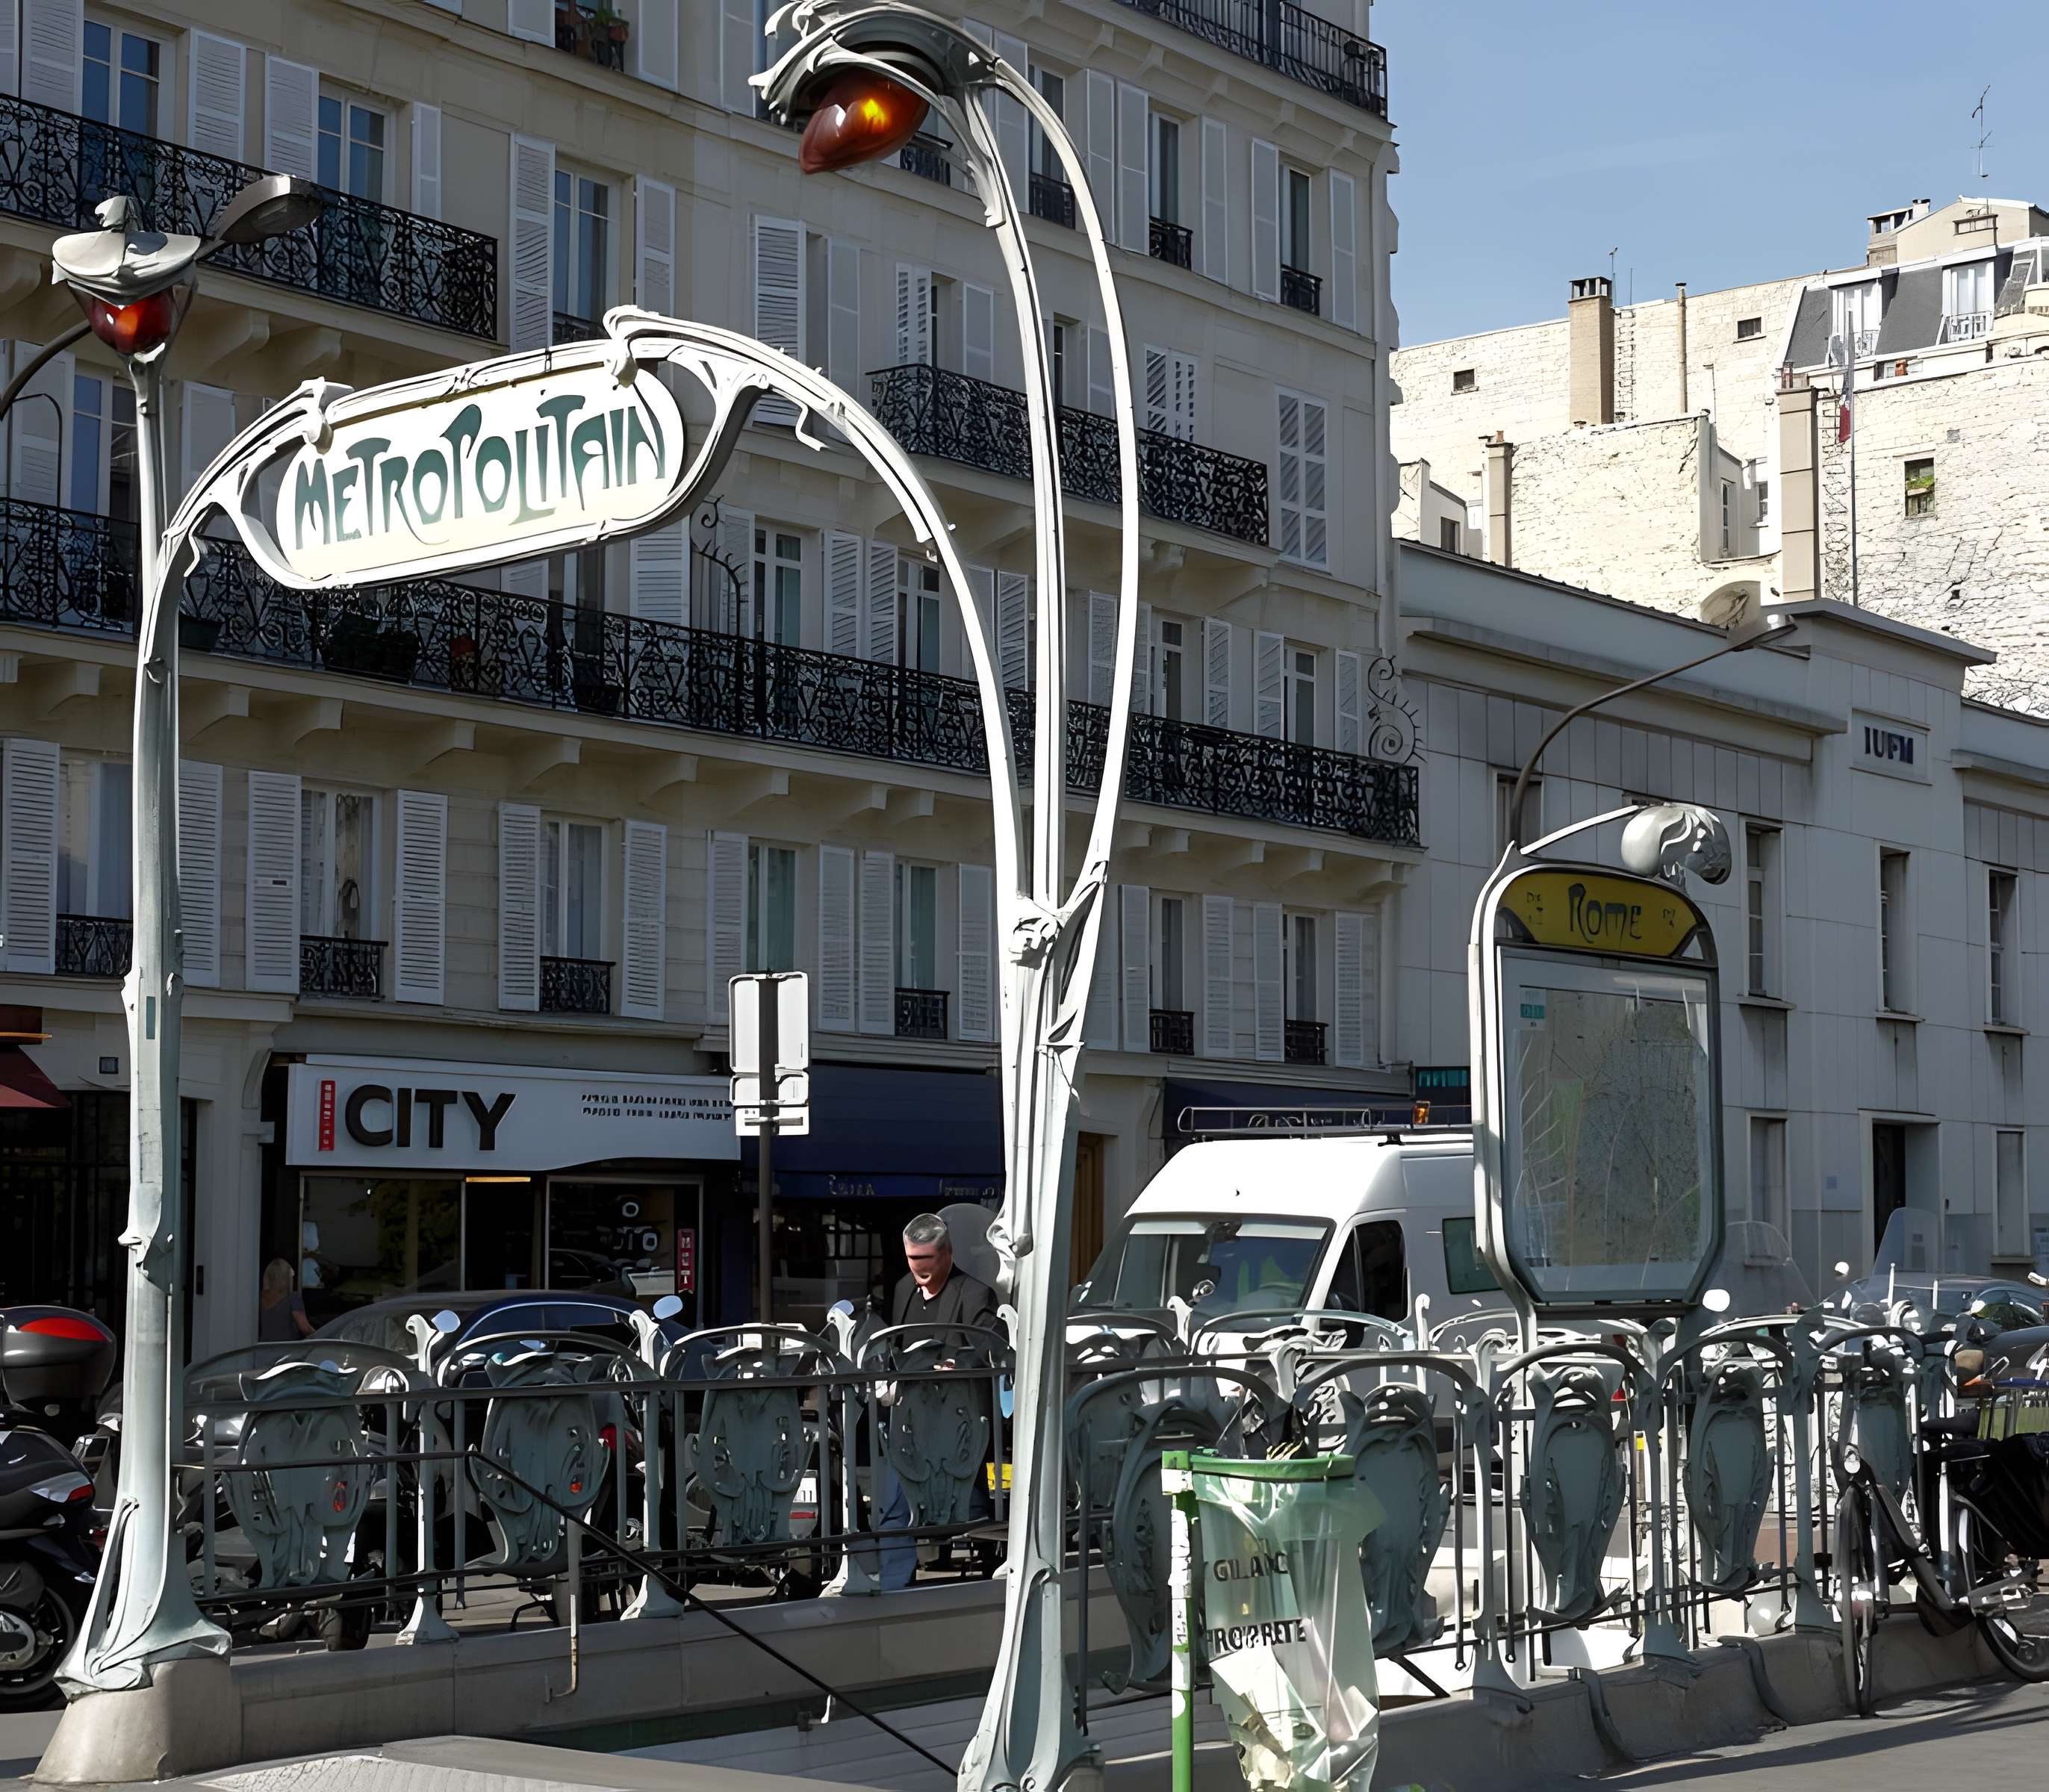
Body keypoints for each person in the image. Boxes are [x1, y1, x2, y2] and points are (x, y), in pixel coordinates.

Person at [872, 1215, 1000, 1588]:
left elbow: (990, 1343)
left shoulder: (974, 1293)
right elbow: (896, 1347)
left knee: (946, 1500)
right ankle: (896, 1578)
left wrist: (956, 1364)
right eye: (913, 1260)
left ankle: (899, 1578)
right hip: (910, 1416)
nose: (920, 1269)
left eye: (927, 1260)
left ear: (948, 1254)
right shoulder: (902, 1289)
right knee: (899, 1495)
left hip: (956, 1421)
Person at [258, 1257, 314, 1343]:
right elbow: (305, 1328)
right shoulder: (293, 1297)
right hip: (287, 1351)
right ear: (285, 1279)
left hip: (263, 1349)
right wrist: (322, 1339)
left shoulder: (258, 1296)